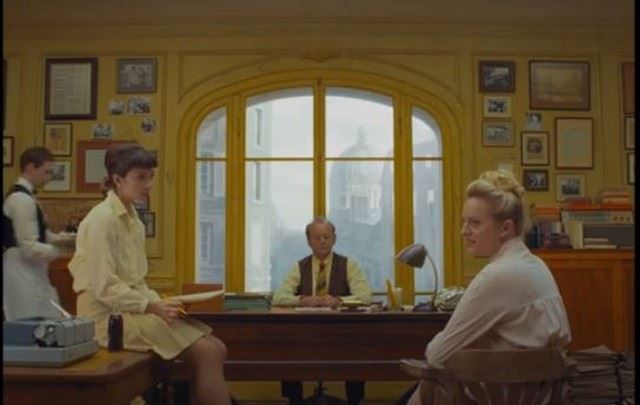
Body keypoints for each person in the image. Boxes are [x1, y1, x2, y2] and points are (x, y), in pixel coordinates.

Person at [68, 144, 231, 404]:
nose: (148, 184)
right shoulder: (102, 221)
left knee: (216, 348)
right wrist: (152, 306)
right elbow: (105, 287)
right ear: (118, 180)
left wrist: (163, 304)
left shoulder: (133, 220)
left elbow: (136, 282)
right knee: (208, 353)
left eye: (151, 176)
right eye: (140, 177)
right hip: (105, 319)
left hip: (129, 311)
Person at [407, 170, 571, 404]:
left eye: (474, 223)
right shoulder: (537, 266)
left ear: (505, 228)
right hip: (538, 398)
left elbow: (436, 354)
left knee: (427, 383)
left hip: (495, 397)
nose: (464, 231)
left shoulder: (496, 276)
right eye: (464, 222)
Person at [272, 216, 372, 405]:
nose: (322, 241)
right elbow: (278, 297)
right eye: (317, 237)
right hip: (305, 333)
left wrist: (339, 300)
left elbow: (365, 296)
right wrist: (302, 300)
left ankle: (354, 400)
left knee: (357, 350)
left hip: (342, 333)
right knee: (287, 349)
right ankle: (294, 400)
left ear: (334, 239)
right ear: (309, 241)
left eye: (327, 237)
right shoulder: (300, 266)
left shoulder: (349, 265)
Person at [3, 146, 75, 320]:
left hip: (32, 272)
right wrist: (62, 250)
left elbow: (42, 235)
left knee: (52, 319)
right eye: (46, 171)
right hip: (21, 273)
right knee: (30, 325)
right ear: (30, 167)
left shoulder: (27, 198)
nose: (49, 178)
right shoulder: (21, 200)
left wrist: (69, 239)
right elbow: (29, 247)